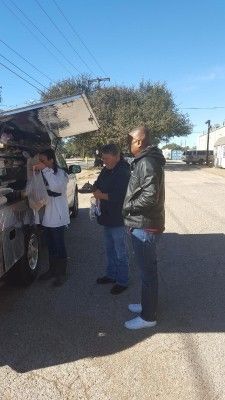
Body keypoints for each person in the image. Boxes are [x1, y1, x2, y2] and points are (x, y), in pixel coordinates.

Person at [122, 126, 165, 329]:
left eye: (130, 140)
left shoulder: (147, 162)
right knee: (146, 272)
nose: (128, 144)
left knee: (148, 274)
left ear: (139, 141)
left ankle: (149, 317)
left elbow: (149, 196)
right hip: (143, 223)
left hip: (145, 226)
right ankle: (146, 305)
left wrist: (128, 207)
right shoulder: (146, 160)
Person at [93, 144, 130, 294]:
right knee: (109, 249)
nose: (104, 161)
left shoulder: (123, 171)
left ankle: (122, 281)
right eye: (103, 158)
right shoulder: (106, 169)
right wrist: (96, 189)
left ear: (116, 156)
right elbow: (97, 183)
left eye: (107, 159)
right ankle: (111, 275)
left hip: (118, 218)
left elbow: (119, 196)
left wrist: (100, 195)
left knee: (120, 252)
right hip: (107, 216)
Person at [33, 149, 70, 287]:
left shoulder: (60, 174)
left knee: (59, 245)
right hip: (46, 217)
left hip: (58, 216)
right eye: (40, 161)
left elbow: (57, 187)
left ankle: (61, 273)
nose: (41, 163)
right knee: (50, 245)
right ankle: (52, 270)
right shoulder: (42, 173)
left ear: (51, 160)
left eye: (43, 160)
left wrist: (45, 170)